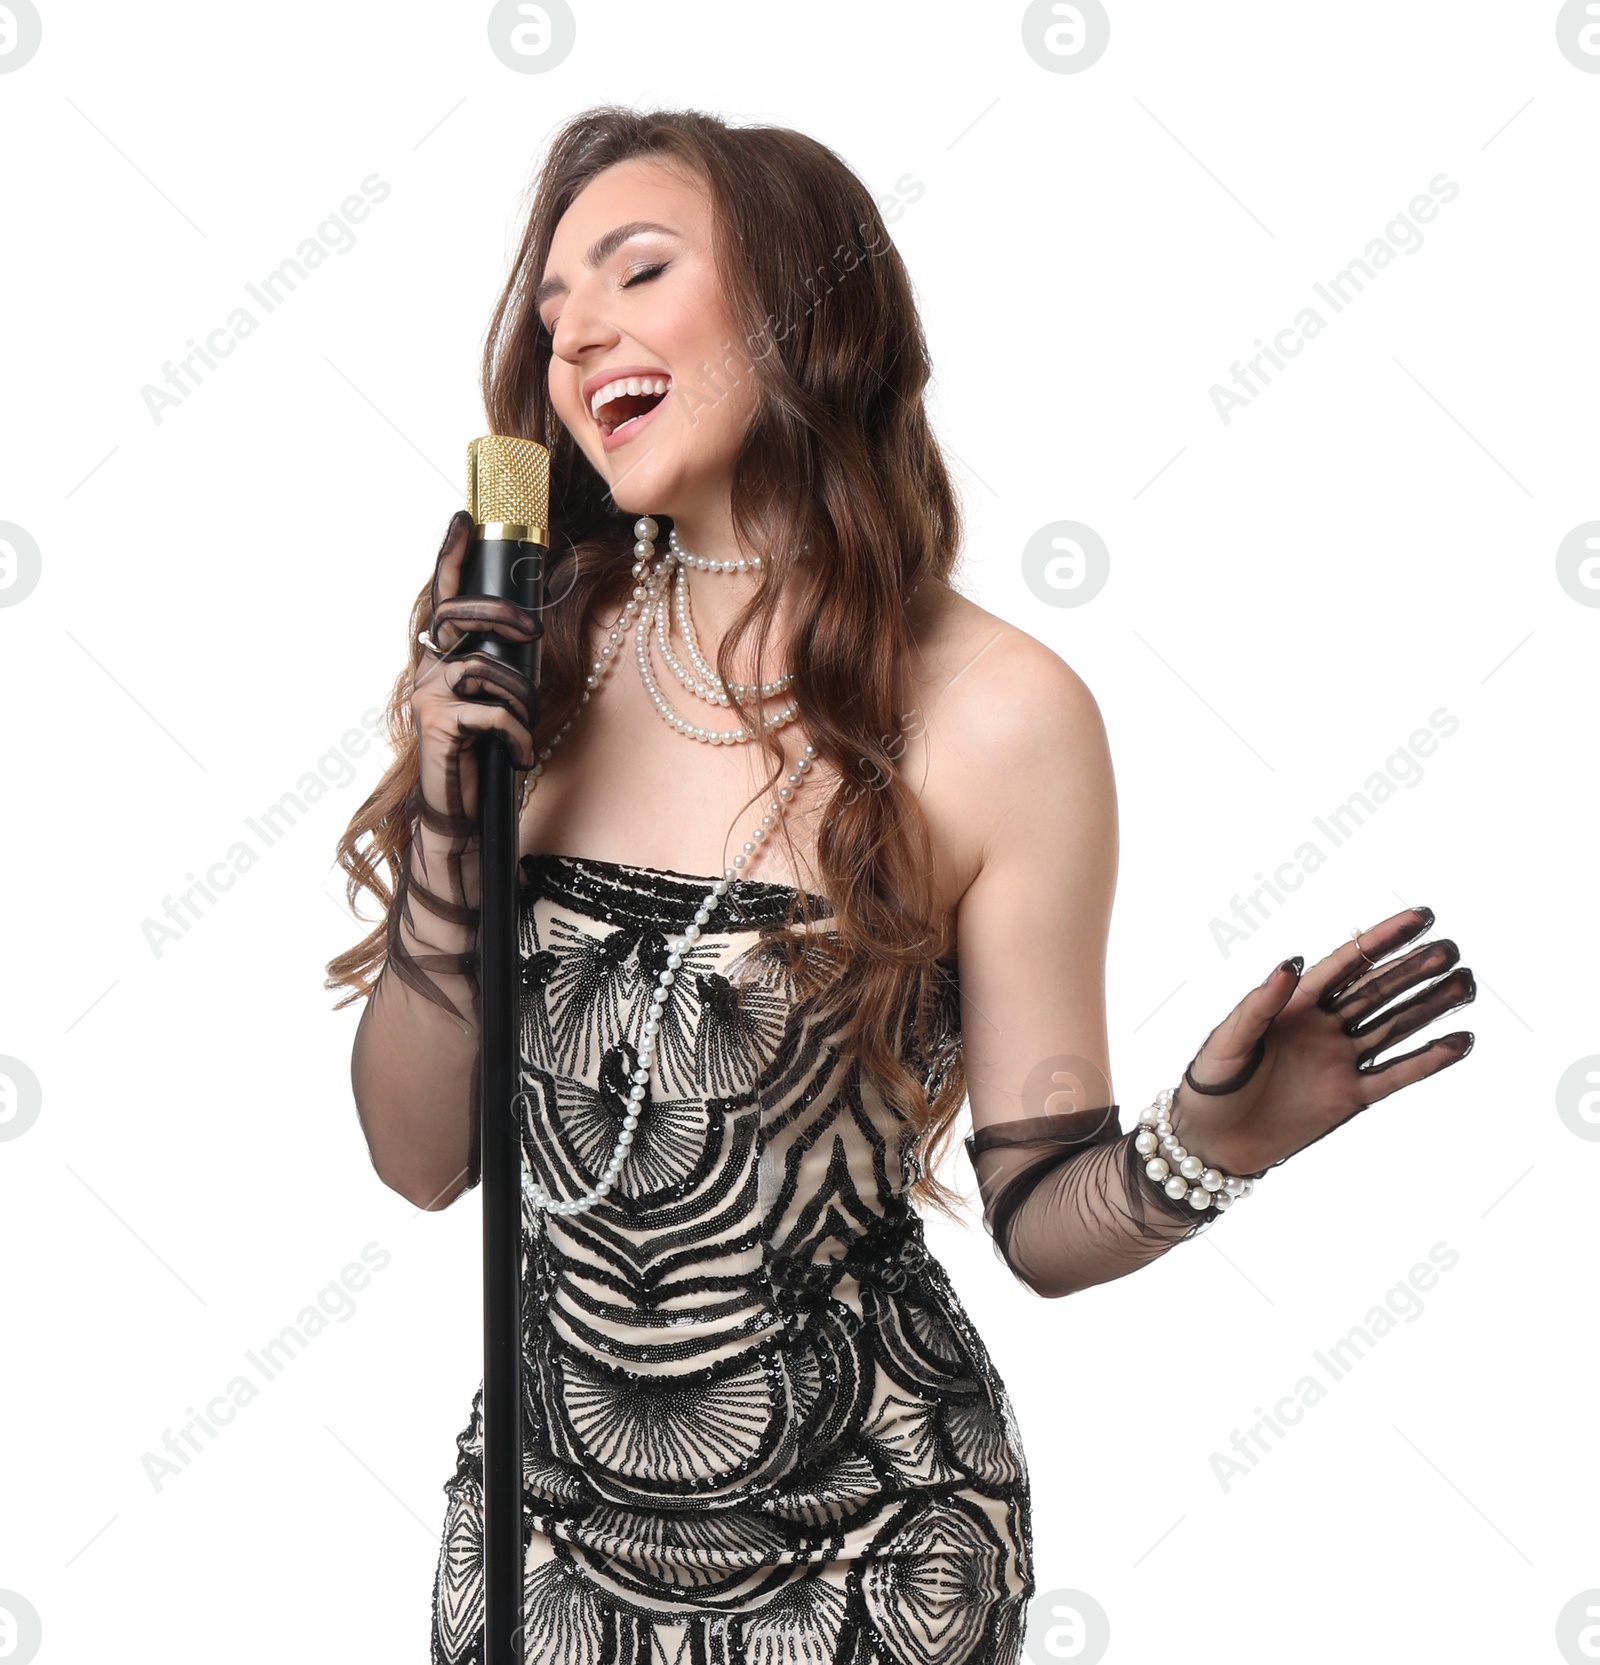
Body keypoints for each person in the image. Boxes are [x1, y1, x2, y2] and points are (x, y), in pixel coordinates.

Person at [326, 106, 1477, 1665]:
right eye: (549, 310)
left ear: (809, 307)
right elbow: (415, 1159)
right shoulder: (545, 660)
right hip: (542, 1546)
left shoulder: (1002, 711)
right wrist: (460, 831)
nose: (575, 329)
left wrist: (1208, 1150)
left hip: (873, 1549)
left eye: (637, 271)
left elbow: (1041, 1213)